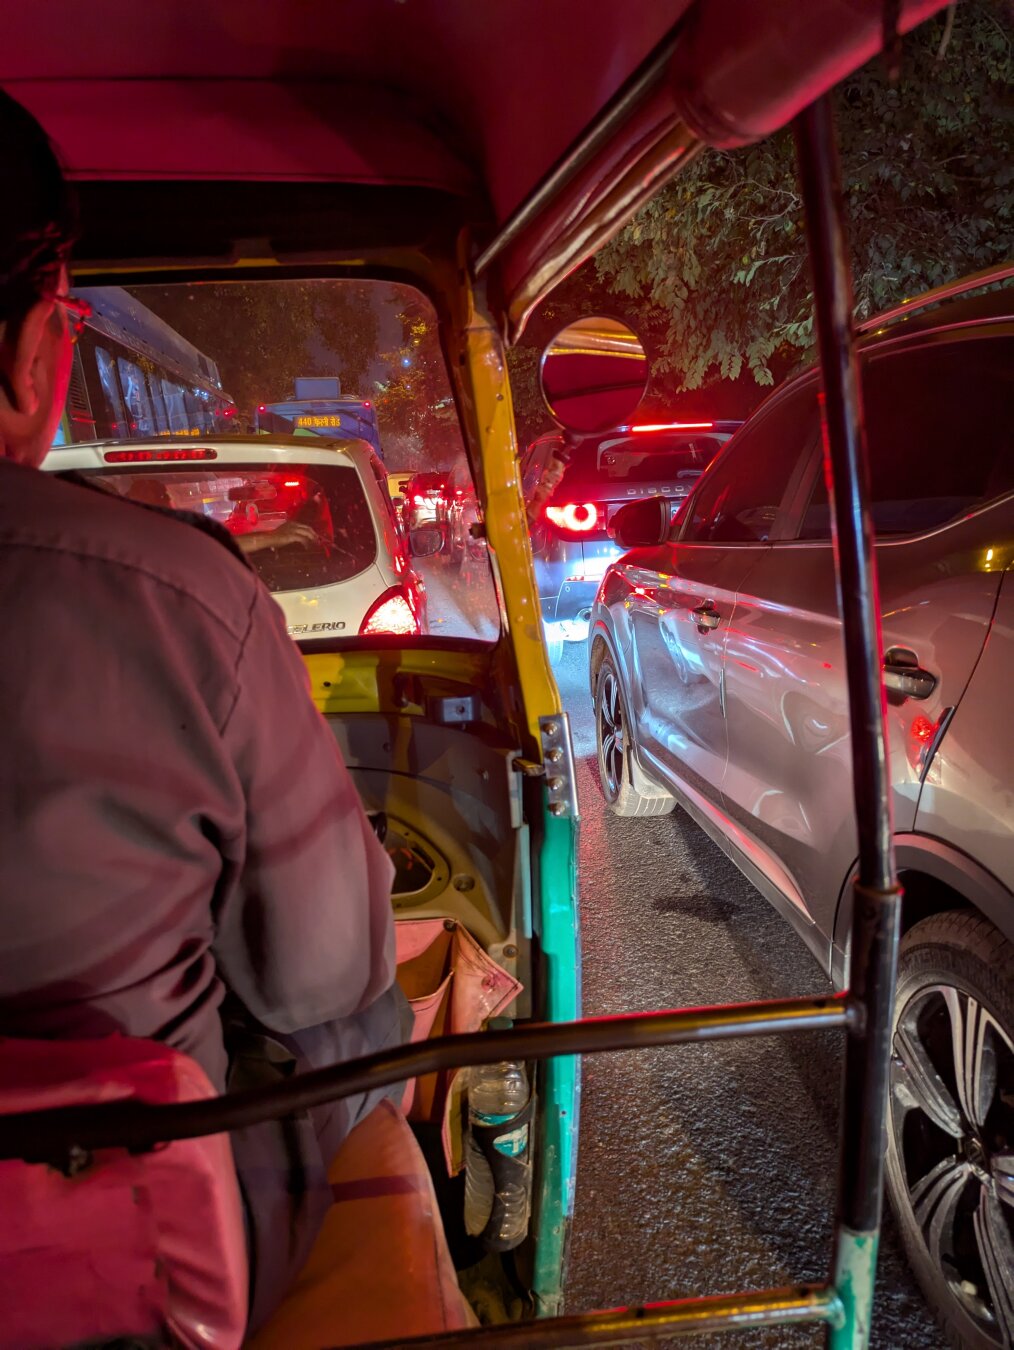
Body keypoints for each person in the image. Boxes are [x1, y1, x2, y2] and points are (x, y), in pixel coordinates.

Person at [0, 89, 408, 1330]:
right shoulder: (187, 604)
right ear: (36, 354)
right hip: (116, 1267)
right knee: (369, 1040)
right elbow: (319, 978)